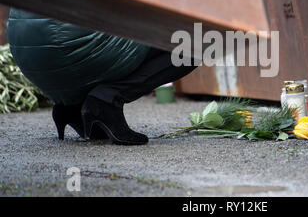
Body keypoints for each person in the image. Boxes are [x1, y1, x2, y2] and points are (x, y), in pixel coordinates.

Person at [6, 9, 197, 145]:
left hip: (24, 47)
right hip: (68, 46)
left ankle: (73, 106)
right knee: (199, 41)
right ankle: (108, 99)